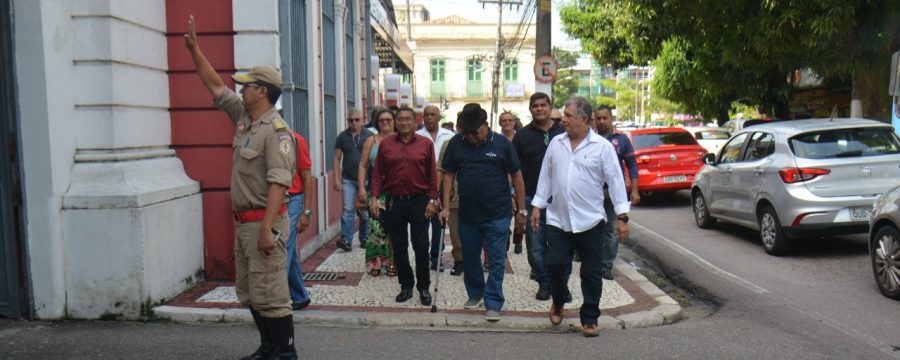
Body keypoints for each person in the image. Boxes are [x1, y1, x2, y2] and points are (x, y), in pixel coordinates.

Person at [184, 16, 298, 359]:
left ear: (262, 91)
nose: (240, 89)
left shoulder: (276, 132)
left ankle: (285, 353)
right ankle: (267, 348)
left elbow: (280, 182)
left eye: (247, 85)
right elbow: (216, 87)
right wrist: (194, 50)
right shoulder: (246, 119)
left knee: (272, 293)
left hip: (264, 223)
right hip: (245, 224)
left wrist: (266, 228)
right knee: (250, 291)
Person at [532, 97, 631, 337]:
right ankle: (558, 299)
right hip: (559, 219)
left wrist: (622, 216)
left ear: (584, 120)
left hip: (591, 221)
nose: (562, 119)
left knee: (591, 272)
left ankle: (589, 318)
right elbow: (546, 176)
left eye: (567, 115)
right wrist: (537, 206)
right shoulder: (556, 144)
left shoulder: (602, 147)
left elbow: (616, 181)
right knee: (555, 265)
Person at [440, 103, 526, 322]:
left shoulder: (501, 143)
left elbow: (516, 175)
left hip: (498, 212)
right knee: (469, 258)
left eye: (474, 132)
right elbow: (448, 173)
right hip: (468, 214)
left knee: (496, 259)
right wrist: (445, 205)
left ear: (485, 126)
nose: (470, 137)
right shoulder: (456, 144)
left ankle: (493, 301)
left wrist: (521, 209)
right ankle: (476, 293)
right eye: (465, 132)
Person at [369, 107, 439, 306]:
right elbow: (377, 175)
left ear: (415, 122)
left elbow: (432, 176)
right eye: (400, 119)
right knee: (399, 247)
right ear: (395, 122)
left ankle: (423, 287)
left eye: (408, 119)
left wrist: (433, 200)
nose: (404, 122)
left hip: (419, 201)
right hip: (394, 202)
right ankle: (406, 285)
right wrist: (374, 198)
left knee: (421, 245)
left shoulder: (426, 144)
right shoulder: (386, 145)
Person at [512, 92, 565, 301]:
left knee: (561, 246)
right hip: (531, 198)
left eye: (543, 105)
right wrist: (514, 197)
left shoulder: (563, 132)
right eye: (535, 106)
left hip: (560, 200)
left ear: (550, 107)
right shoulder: (522, 136)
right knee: (535, 246)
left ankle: (560, 284)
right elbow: (513, 169)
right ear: (530, 109)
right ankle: (543, 282)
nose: (539, 109)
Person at [593, 105, 640, 280]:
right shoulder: (591, 139)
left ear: (611, 119)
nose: (601, 121)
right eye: (598, 118)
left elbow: (632, 166)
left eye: (605, 118)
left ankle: (606, 266)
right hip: (594, 192)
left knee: (611, 230)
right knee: (591, 227)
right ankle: (588, 258)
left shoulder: (622, 140)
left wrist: (634, 190)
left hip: (613, 192)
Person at [416, 105, 455, 270]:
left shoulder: (451, 136)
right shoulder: (416, 136)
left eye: (433, 115)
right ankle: (423, 258)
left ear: (440, 117)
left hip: (443, 188)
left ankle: (436, 258)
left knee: (439, 225)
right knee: (422, 227)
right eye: (426, 115)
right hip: (421, 188)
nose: (429, 117)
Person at [358, 109, 397, 277]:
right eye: (382, 120)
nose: (386, 122)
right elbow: (363, 165)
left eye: (389, 119)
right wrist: (361, 187)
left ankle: (393, 262)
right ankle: (375, 262)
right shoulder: (371, 140)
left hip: (397, 190)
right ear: (377, 122)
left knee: (395, 228)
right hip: (377, 190)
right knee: (376, 227)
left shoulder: (400, 139)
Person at [333, 108, 373, 251]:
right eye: (351, 120)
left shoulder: (369, 136)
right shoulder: (342, 137)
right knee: (348, 209)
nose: (354, 123)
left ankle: (363, 238)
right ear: (347, 120)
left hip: (366, 180)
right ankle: (347, 240)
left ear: (362, 120)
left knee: (365, 212)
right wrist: (336, 178)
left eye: (357, 119)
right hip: (348, 179)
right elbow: (337, 159)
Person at [286, 130, 314, 311]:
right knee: (288, 251)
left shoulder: (296, 139)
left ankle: (274, 302)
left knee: (281, 251)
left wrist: (307, 212)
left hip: (292, 200)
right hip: (271, 202)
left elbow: (307, 177)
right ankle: (299, 296)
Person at [437, 137, 464, 276]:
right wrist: (435, 194)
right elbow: (441, 168)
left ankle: (473, 259)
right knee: (454, 229)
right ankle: (459, 260)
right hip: (453, 193)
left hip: (475, 195)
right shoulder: (449, 143)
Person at [499, 111, 524, 254]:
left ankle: (518, 240)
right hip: (504, 180)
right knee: (507, 213)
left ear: (514, 122)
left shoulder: (520, 137)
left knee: (521, 211)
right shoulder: (497, 140)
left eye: (510, 120)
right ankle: (505, 239)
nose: (507, 123)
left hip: (520, 178)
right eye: (504, 120)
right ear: (500, 123)